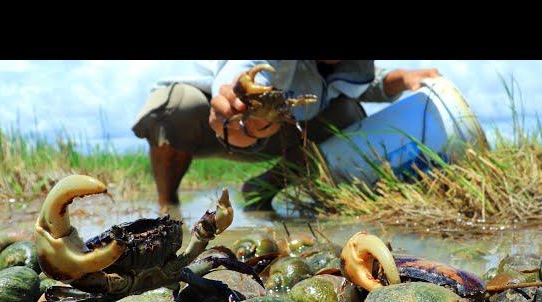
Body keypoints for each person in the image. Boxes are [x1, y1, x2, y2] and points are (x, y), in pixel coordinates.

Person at [132, 60, 440, 212]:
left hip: (284, 128)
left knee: (348, 115)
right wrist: (233, 108)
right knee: (177, 108)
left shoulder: (353, 65)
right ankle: (167, 204)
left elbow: (366, 82)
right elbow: (242, 70)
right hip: (215, 117)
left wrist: (404, 78)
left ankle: (260, 191)